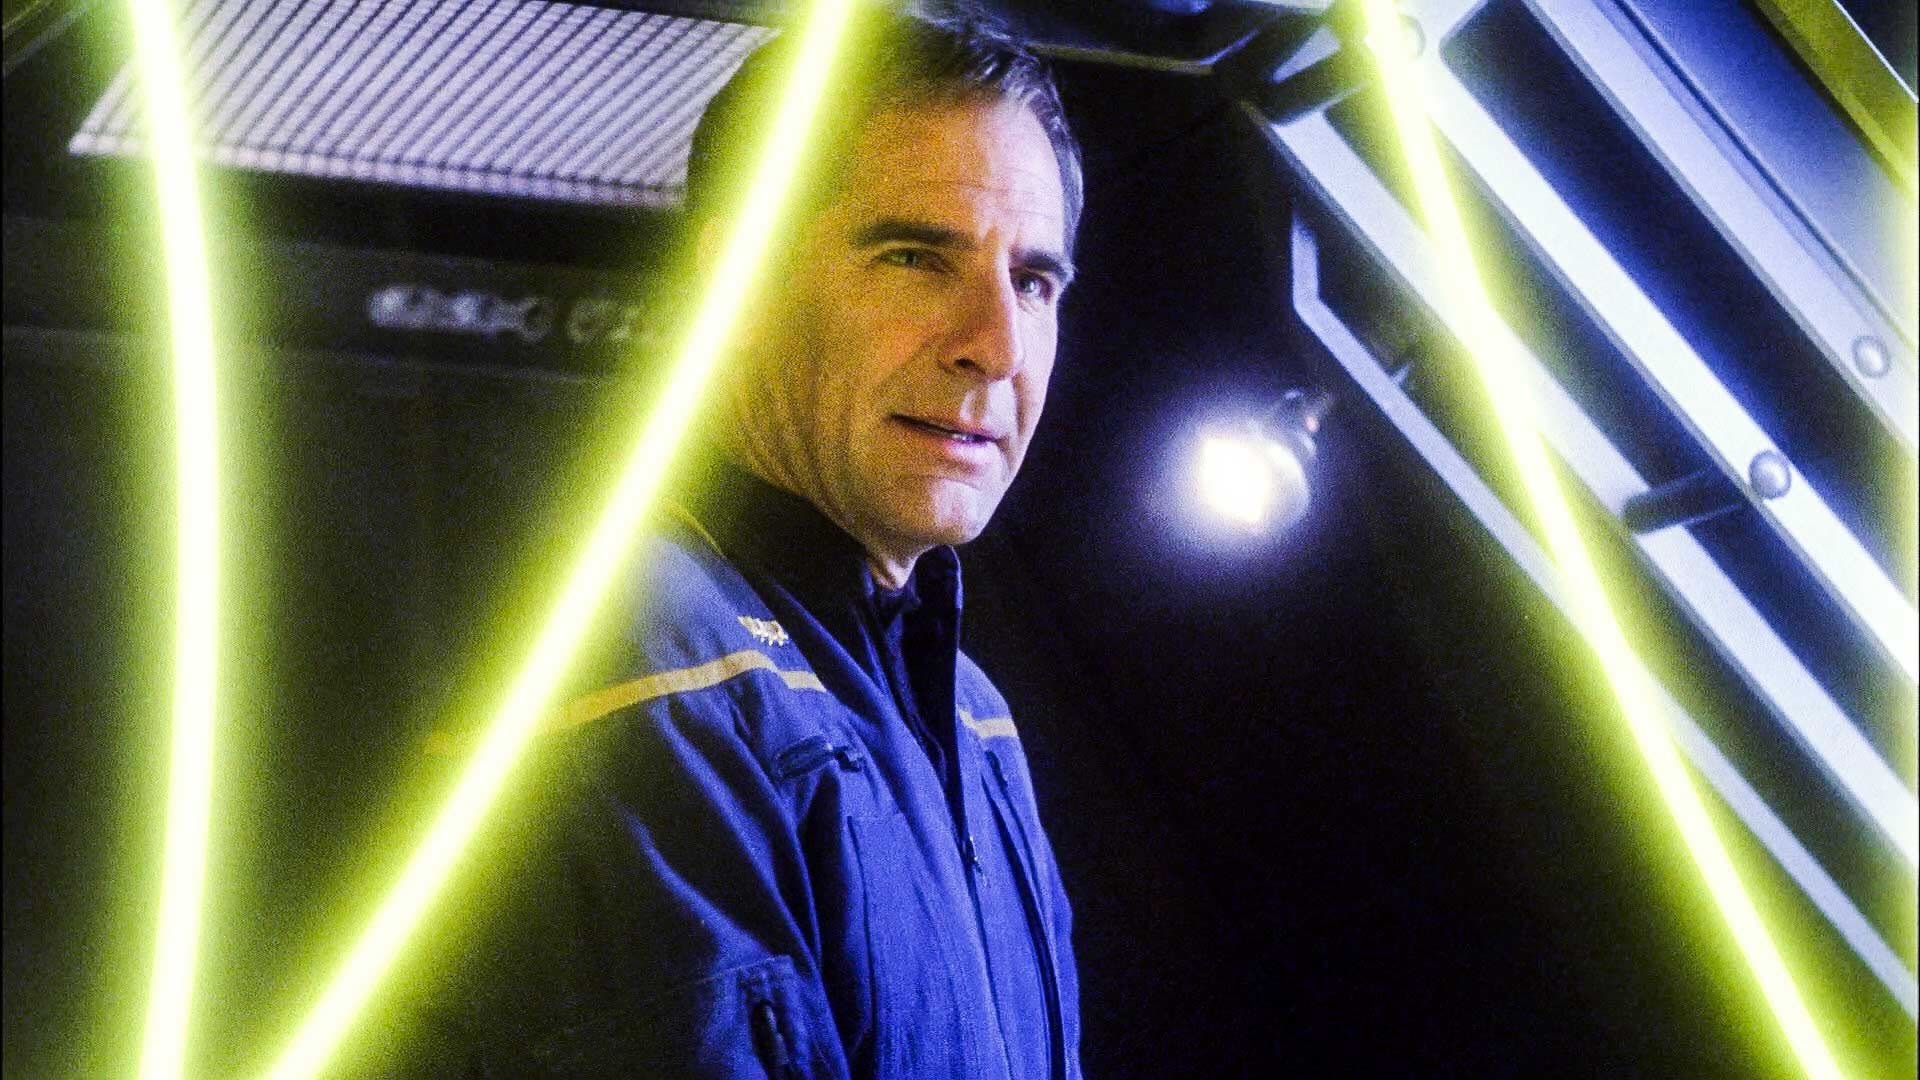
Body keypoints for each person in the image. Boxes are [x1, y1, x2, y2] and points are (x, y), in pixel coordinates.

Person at [441, 8, 1084, 1078]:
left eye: (1033, 281)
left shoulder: (976, 721)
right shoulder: (634, 663)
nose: (996, 346)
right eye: (916, 257)